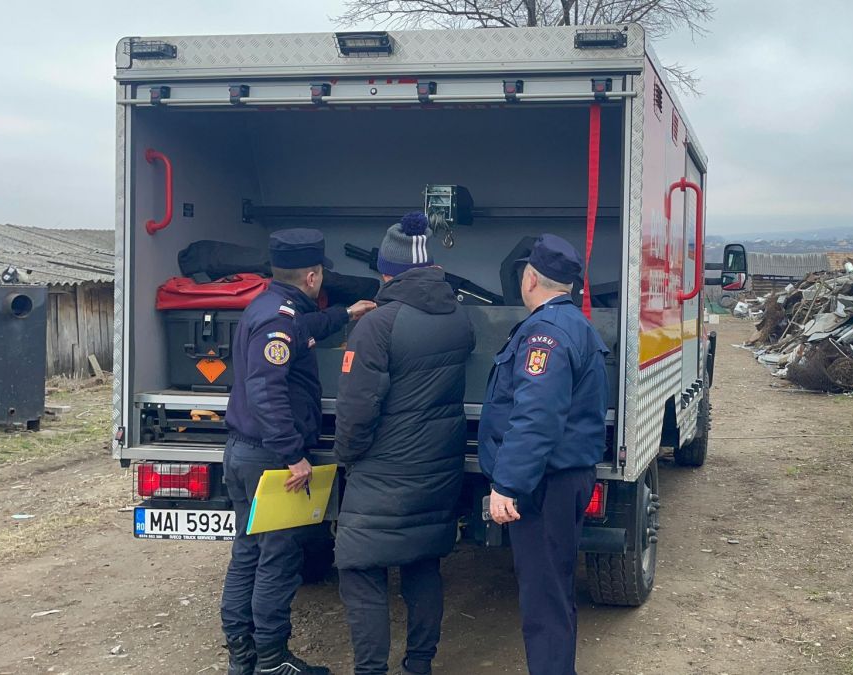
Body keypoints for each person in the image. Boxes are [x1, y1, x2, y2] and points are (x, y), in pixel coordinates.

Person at [221, 228, 375, 675]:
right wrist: (293, 455)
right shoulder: (278, 321)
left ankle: (243, 659)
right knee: (277, 558)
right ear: (312, 276)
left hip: (244, 451)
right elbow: (266, 391)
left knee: (248, 553)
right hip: (270, 460)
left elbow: (306, 329)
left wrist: (347, 313)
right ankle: (271, 660)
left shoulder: (270, 307)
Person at [334, 212, 476, 675]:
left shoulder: (377, 325)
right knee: (422, 563)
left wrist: (346, 456)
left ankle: (371, 669)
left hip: (383, 471)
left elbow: (357, 408)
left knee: (360, 568)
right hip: (438, 466)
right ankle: (419, 664)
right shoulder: (458, 317)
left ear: (386, 272)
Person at [478, 234, 609, 675]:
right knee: (553, 590)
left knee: (544, 599)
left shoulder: (545, 334)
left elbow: (536, 417)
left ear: (530, 278)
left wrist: (507, 485)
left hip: (545, 485)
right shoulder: (572, 324)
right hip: (561, 478)